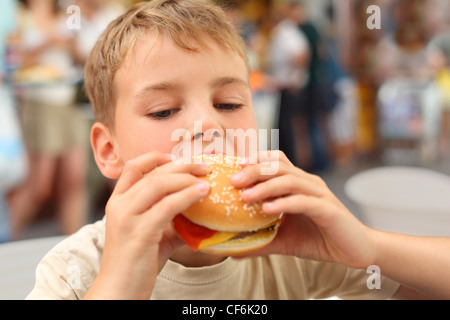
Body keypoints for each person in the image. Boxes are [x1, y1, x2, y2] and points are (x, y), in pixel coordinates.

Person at [26, 0, 449, 300]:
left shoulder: (285, 246)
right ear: (108, 150)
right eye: (163, 110)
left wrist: (371, 248)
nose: (208, 125)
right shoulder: (76, 271)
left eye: (228, 104)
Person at [8, 0, 89, 238]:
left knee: (74, 179)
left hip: (68, 100)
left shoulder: (67, 12)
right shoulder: (18, 14)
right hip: (39, 102)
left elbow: (80, 56)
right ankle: (8, 237)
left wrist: (70, 44)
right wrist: (47, 44)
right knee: (38, 186)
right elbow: (14, 62)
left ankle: (74, 245)